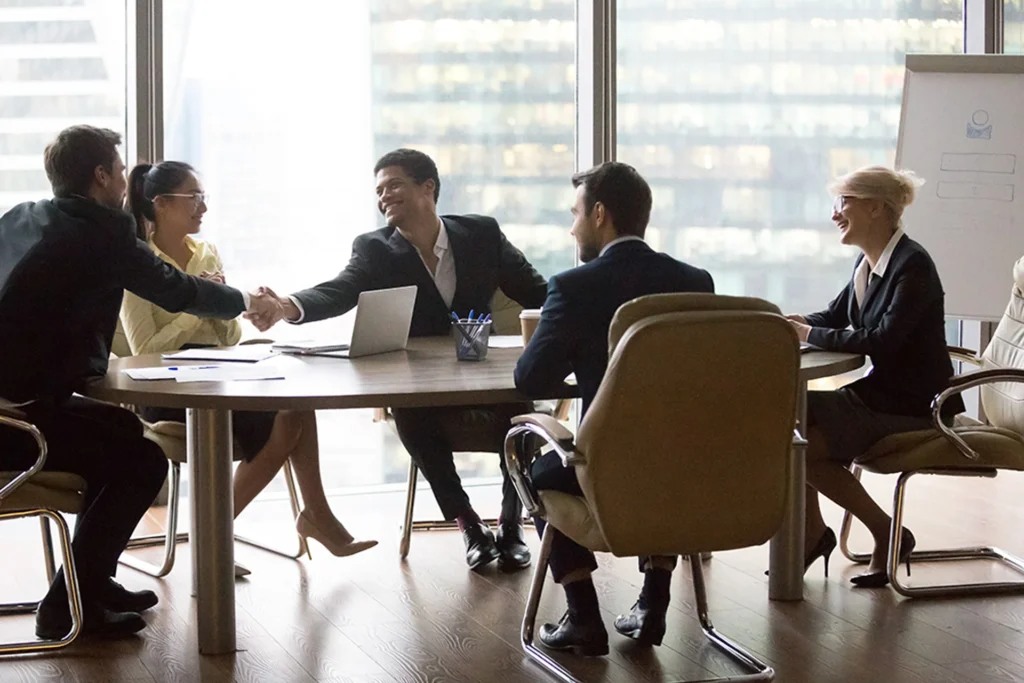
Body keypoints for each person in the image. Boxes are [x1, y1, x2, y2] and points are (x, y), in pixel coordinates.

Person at [0, 125, 279, 639]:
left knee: (124, 435)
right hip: (15, 424)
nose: (126, 181)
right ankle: (66, 603)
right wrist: (247, 300)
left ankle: (92, 583)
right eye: (119, 169)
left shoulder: (22, 216)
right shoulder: (104, 233)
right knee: (143, 459)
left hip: (13, 406)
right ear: (101, 175)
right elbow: (174, 289)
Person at [250, 149, 548, 571]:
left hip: (481, 371)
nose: (384, 196)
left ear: (428, 188)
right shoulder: (375, 250)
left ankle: (511, 523)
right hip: (420, 384)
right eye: (378, 190)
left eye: (394, 185)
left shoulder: (481, 235)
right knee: (411, 415)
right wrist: (286, 306)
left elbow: (538, 291)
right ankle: (467, 524)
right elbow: (340, 290)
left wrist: (589, 299)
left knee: (521, 410)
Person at [120, 161, 377, 573]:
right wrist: (200, 301)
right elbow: (145, 347)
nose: (203, 206)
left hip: (218, 378)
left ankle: (308, 515)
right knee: (283, 419)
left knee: (295, 405)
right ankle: (217, 538)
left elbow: (228, 339)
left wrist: (221, 310)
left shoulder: (207, 253)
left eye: (204, 197)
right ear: (163, 204)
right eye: (194, 197)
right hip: (165, 389)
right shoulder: (139, 262)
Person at [514, 162, 715, 656]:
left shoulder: (574, 287)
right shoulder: (697, 280)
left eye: (575, 213)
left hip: (610, 470)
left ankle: (582, 613)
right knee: (665, 454)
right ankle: (653, 600)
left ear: (600, 214)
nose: (572, 226)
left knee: (530, 465)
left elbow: (530, 379)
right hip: (691, 466)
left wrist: (578, 363)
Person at [787, 166, 964, 587]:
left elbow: (881, 341)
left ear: (876, 208)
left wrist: (808, 333)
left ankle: (882, 532)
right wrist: (791, 323)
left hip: (916, 406)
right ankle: (822, 533)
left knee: (799, 445)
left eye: (843, 202)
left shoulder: (912, 265)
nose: (834, 214)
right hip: (881, 396)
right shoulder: (869, 263)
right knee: (787, 417)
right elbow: (835, 316)